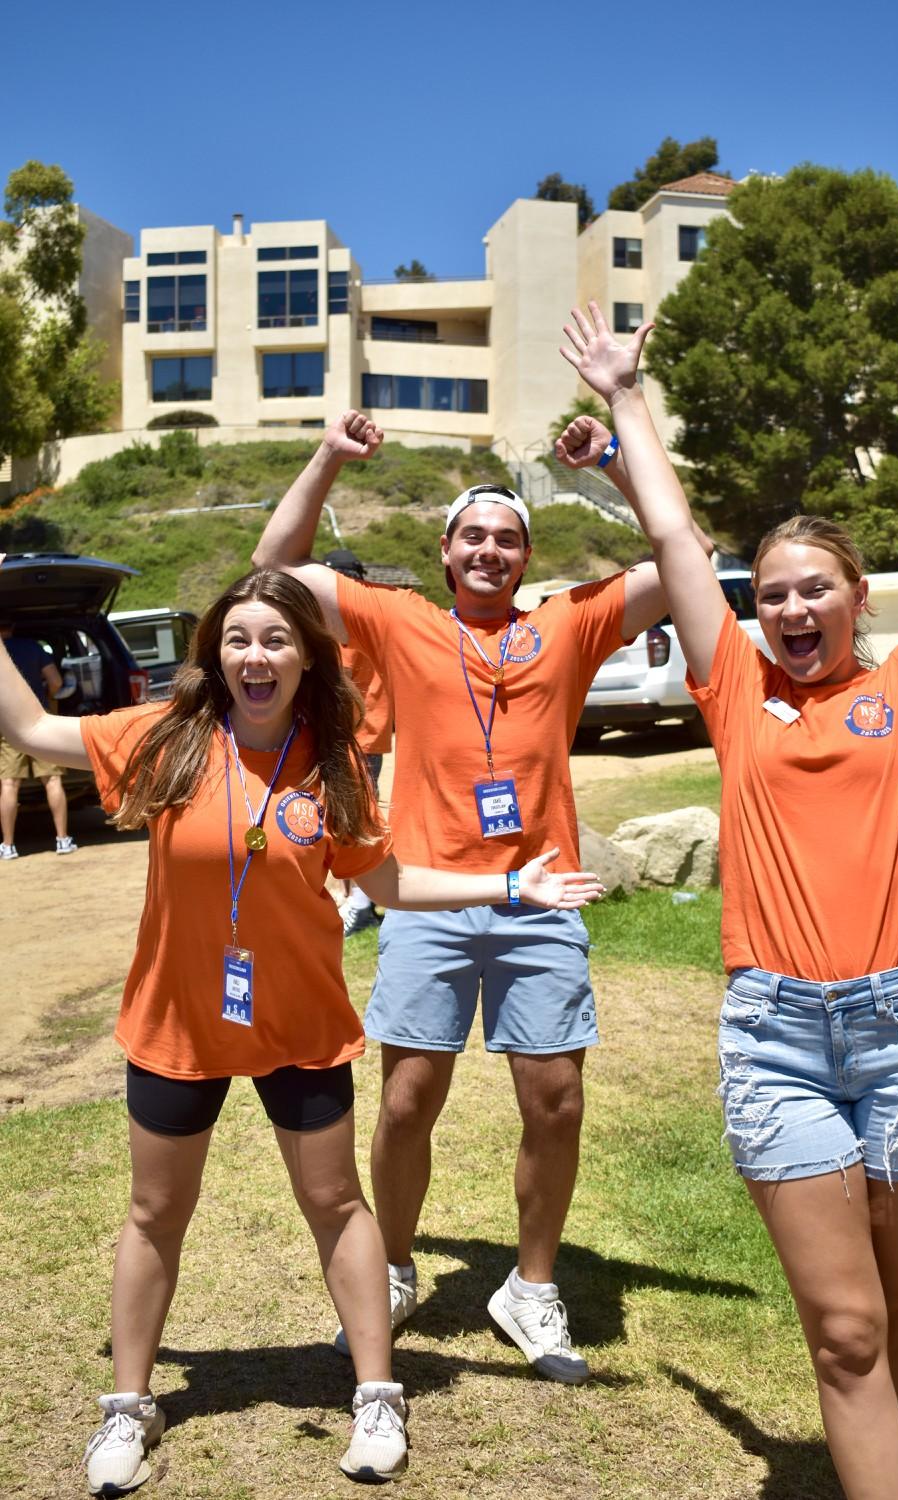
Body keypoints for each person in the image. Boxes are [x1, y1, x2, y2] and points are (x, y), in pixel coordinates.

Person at [0, 561, 601, 1493]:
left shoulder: (333, 760)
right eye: (237, 638)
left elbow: (389, 883)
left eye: (276, 639)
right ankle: (128, 1408)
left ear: (306, 657)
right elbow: (32, 727)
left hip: (299, 1024)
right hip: (180, 1025)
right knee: (156, 1213)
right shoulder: (168, 739)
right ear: (215, 655)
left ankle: (376, 1395)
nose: (255, 655)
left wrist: (515, 884)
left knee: (335, 1205)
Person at [560, 302, 898, 1500]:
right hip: (777, 1039)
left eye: (816, 591)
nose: (792, 610)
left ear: (858, 597)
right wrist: (624, 397)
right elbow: (675, 535)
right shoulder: (731, 689)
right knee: (845, 1327)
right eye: (775, 595)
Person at [253, 411, 711, 1385]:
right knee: (408, 1099)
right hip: (427, 897)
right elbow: (272, 570)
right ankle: (394, 1266)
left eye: (507, 536)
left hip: (542, 898)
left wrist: (616, 463)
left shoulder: (568, 623)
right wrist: (331, 457)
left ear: (525, 554)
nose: (490, 549)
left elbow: (687, 559)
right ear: (446, 550)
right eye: (474, 535)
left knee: (555, 1101)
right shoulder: (400, 617)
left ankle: (530, 1287)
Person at [323, 549, 393, 938]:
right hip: (370, 735)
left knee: (352, 819)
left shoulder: (343, 624)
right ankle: (350, 895)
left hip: (351, 737)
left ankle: (360, 902)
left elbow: (339, 681)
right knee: (350, 816)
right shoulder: (374, 614)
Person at [0, 620, 77, 858]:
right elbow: (55, 682)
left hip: (9, 726)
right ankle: (63, 840)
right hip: (41, 722)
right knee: (52, 780)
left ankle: (8, 846)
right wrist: (47, 697)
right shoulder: (34, 648)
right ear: (13, 626)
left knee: (9, 784)